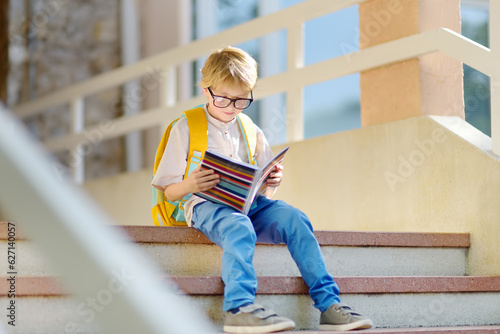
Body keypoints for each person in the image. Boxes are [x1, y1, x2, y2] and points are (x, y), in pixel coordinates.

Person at [152, 46, 373, 333]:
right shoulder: (185, 127)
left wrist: (272, 181)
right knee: (239, 227)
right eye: (223, 99)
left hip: (248, 204)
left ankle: (329, 305)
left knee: (295, 219)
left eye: (241, 100)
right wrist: (190, 184)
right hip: (205, 205)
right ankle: (239, 308)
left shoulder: (249, 128)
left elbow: (262, 183)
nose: (232, 107)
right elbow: (169, 191)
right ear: (206, 91)